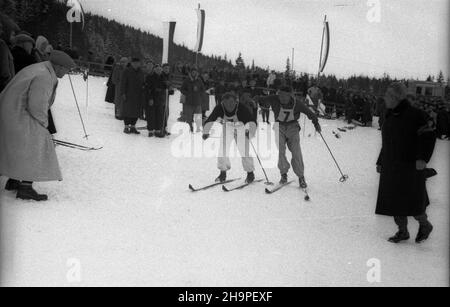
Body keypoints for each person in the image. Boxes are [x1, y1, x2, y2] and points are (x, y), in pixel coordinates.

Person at [0, 50, 76, 201]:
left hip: (9, 111)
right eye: (67, 69)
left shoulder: (41, 68)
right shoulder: (45, 76)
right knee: (40, 140)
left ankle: (14, 179)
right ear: (59, 67)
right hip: (16, 113)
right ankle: (25, 187)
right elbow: (37, 105)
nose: (67, 73)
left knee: (20, 145)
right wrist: (44, 126)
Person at [376, 82, 436, 244]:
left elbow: (429, 135)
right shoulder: (390, 115)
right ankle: (402, 231)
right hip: (391, 164)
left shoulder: (415, 115)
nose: (385, 98)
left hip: (410, 165)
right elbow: (387, 141)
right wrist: (381, 160)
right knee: (394, 199)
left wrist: (422, 158)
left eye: (388, 95)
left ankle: (425, 225)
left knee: (412, 200)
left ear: (396, 97)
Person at [255, 86, 321, 188]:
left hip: (292, 128)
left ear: (290, 95)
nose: (282, 99)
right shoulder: (274, 98)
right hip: (279, 127)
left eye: (285, 96)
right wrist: (256, 99)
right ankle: (283, 174)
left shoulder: (297, 103)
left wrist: (316, 123)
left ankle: (301, 176)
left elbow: (310, 113)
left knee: (296, 152)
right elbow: (262, 99)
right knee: (280, 151)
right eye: (280, 96)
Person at [202, 92, 256, 184]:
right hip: (228, 127)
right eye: (226, 103)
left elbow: (252, 121)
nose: (229, 105)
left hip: (241, 127)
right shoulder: (220, 107)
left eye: (231, 102)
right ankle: (223, 173)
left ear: (236, 101)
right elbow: (211, 118)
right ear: (223, 102)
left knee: (244, 151)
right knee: (222, 150)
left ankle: (250, 173)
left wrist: (250, 132)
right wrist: (206, 131)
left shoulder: (241, 108)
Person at [120, 57, 145, 134]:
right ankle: (126, 127)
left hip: (138, 95)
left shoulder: (141, 72)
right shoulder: (127, 71)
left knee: (136, 112)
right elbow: (123, 82)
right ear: (132, 63)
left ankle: (133, 127)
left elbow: (143, 81)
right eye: (135, 63)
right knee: (127, 111)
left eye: (138, 63)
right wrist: (123, 93)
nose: (137, 64)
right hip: (128, 94)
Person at [145, 64, 168, 138]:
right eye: (157, 70)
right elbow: (148, 89)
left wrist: (168, 86)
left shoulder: (163, 77)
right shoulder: (150, 77)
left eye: (160, 70)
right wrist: (150, 98)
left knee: (159, 115)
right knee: (151, 115)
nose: (159, 71)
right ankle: (151, 130)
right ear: (154, 70)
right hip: (152, 98)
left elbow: (166, 86)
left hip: (160, 99)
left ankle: (158, 130)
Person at [180, 67, 205, 133]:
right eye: (193, 72)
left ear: (197, 73)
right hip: (189, 102)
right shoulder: (187, 80)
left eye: (195, 72)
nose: (194, 73)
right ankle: (189, 129)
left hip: (197, 102)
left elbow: (203, 89)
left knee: (198, 117)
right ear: (190, 73)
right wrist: (188, 93)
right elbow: (182, 89)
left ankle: (198, 130)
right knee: (189, 118)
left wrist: (199, 94)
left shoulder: (199, 80)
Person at [0, 13, 19, 92]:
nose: (15, 38)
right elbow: (5, 73)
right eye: (13, 35)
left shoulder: (7, 47)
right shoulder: (2, 45)